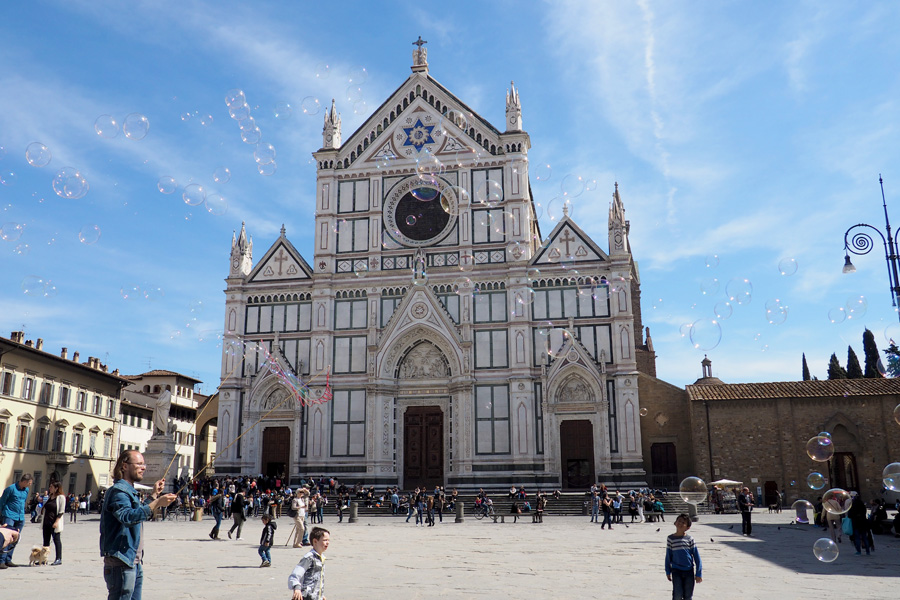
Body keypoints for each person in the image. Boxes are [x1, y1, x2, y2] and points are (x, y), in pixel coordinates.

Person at [100, 450, 177, 600]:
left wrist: (154, 495)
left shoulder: (129, 491)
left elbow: (136, 513)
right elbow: (127, 517)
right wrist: (156, 503)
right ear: (124, 466)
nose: (144, 467)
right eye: (139, 464)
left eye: (144, 464)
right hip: (121, 560)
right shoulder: (119, 492)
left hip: (133, 560)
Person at [665, 513, 703, 600]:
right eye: (679, 521)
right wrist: (668, 570)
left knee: (688, 596)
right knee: (677, 595)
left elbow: (697, 557)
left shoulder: (690, 539)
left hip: (689, 571)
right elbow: (668, 556)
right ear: (675, 523)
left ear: (688, 527)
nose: (680, 523)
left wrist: (698, 573)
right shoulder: (671, 539)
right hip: (676, 570)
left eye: (683, 522)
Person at [0, 472, 33, 569]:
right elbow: (2, 501)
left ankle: (8, 559)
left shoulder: (26, 490)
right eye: (29, 483)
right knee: (6, 538)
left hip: (20, 517)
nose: (30, 485)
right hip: (9, 515)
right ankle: (1, 560)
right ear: (24, 481)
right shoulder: (11, 489)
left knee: (15, 539)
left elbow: (23, 501)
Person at [288, 526, 330, 600]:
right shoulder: (309, 558)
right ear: (315, 541)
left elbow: (317, 580)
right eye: (325, 540)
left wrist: (320, 594)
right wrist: (297, 588)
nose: (327, 543)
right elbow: (295, 575)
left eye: (328, 540)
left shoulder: (321, 558)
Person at [41, 480, 66, 565]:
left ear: (56, 488)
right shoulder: (50, 496)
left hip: (54, 522)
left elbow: (61, 511)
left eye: (51, 487)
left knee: (56, 540)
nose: (49, 488)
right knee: (46, 541)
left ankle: (58, 558)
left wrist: (56, 522)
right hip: (46, 521)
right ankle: (44, 559)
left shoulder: (61, 497)